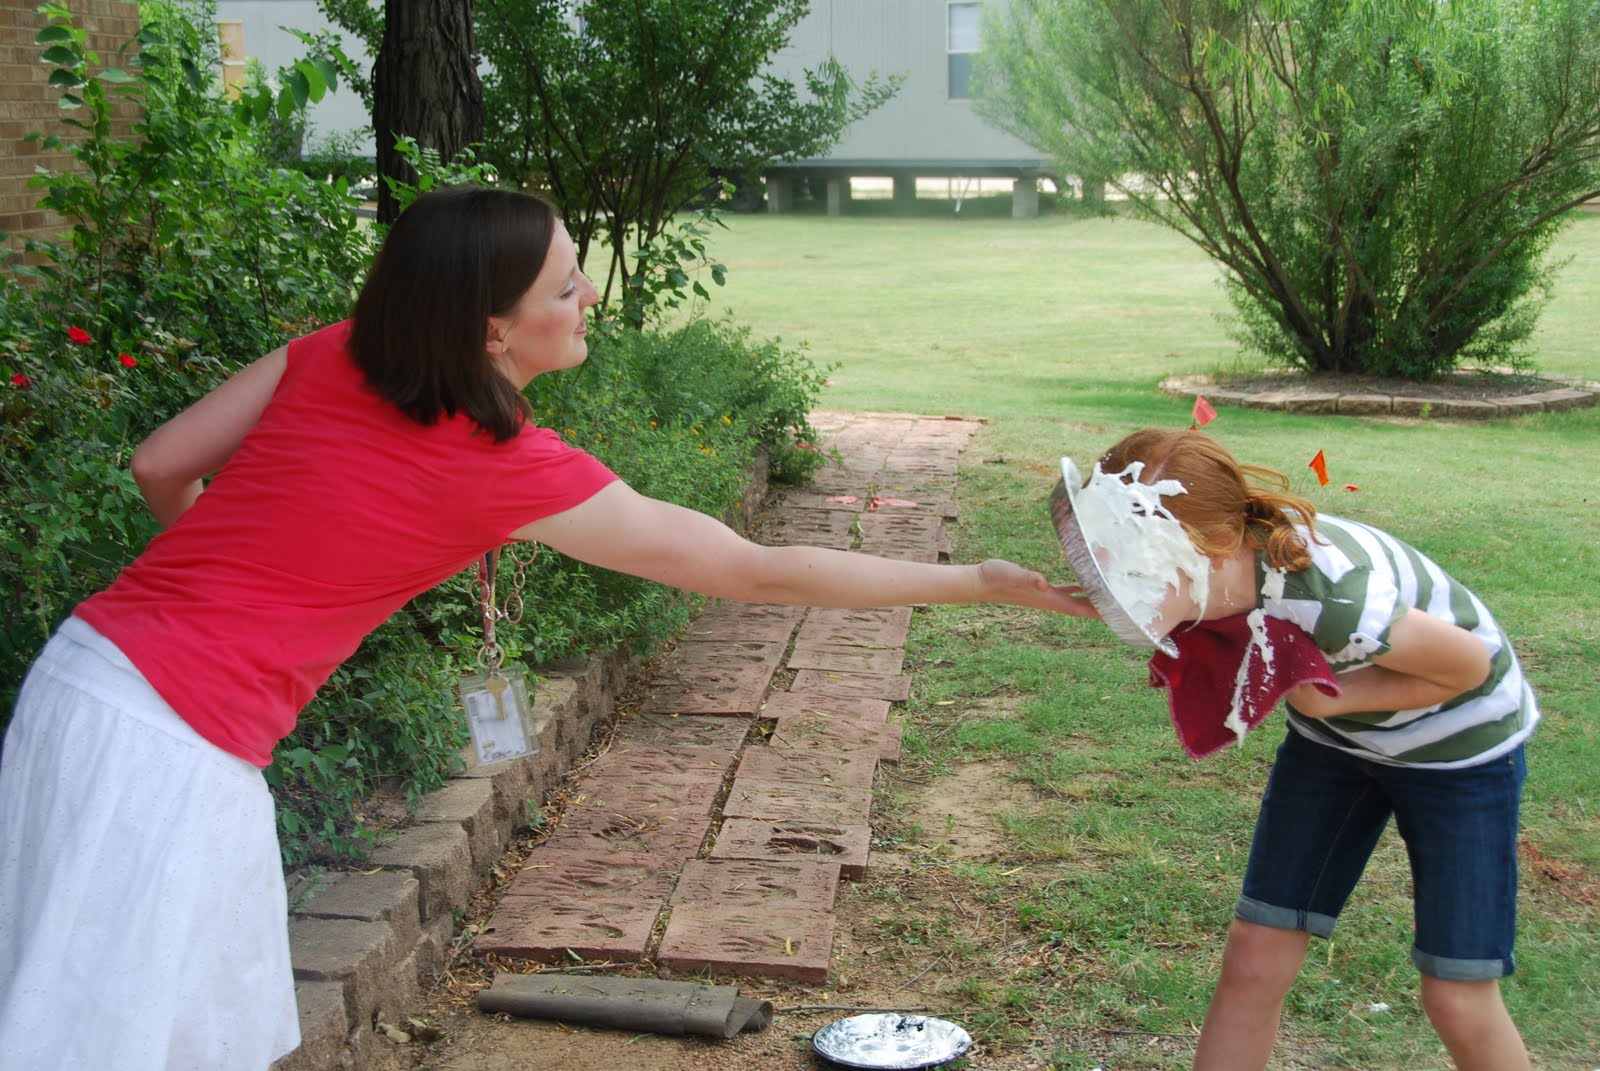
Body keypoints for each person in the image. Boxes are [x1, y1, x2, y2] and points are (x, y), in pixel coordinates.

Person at [0, 184, 1093, 1071]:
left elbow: (160, 464)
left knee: (149, 1021)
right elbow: (750, 570)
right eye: (566, 288)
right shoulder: (501, 468)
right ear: (490, 323)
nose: (586, 303)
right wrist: (978, 582)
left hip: (85, 678)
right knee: (103, 1040)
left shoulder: (332, 350)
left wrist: (229, 592)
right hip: (164, 748)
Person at [1084, 428, 1538, 1071]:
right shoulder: (1212, 570)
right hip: (1338, 743)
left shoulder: (1339, 602)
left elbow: (1471, 666)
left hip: (1460, 747)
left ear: (1213, 547)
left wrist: (1331, 700)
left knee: (1457, 996)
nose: (1118, 578)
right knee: (1255, 953)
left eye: (1134, 563)